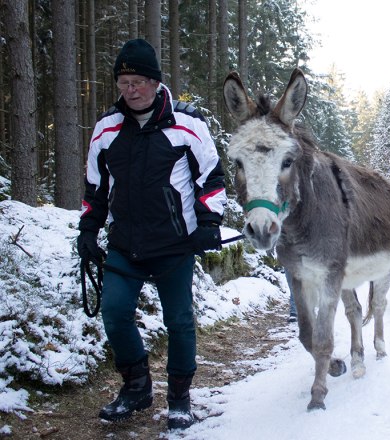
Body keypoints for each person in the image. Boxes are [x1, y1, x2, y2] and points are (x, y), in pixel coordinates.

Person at [76, 39, 227, 430]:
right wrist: (88, 231)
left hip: (175, 245)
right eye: (124, 81)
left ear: (156, 82)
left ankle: (179, 397)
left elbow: (210, 179)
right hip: (125, 243)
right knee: (113, 313)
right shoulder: (106, 129)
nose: (131, 89)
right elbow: (95, 188)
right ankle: (136, 387)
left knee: (178, 321)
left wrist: (209, 223)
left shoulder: (187, 124)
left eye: (139, 80)